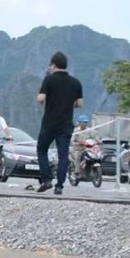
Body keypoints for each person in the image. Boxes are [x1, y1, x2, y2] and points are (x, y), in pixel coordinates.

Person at [36, 51, 84, 195]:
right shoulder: (76, 82)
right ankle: (59, 186)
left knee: (41, 149)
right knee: (63, 155)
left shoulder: (49, 80)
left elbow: (40, 98)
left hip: (49, 123)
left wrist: (46, 100)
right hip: (65, 124)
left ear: (54, 65)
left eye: (50, 65)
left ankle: (46, 179)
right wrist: (68, 104)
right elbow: (80, 104)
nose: (50, 68)